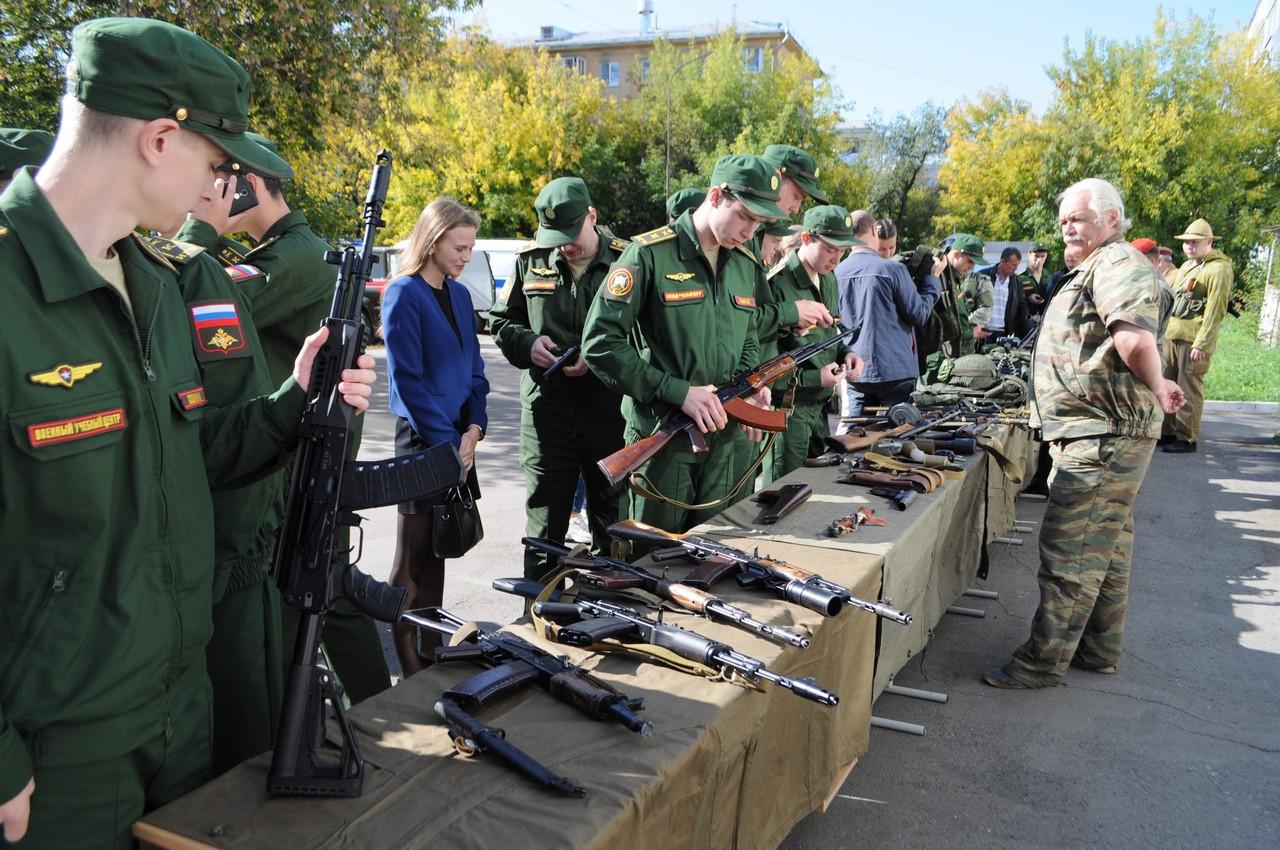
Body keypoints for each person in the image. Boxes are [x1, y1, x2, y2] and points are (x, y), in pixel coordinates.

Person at [0, 17, 376, 846]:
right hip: (60, 749)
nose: (219, 186)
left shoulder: (159, 281)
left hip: (179, 703)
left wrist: (294, 400)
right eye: (215, 161)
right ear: (160, 139)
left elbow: (191, 457)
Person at [180, 134, 397, 706]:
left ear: (245, 183)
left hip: (296, 453)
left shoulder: (292, 257)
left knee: (318, 589)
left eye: (218, 177)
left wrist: (200, 230)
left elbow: (187, 297)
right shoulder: (279, 253)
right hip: (284, 441)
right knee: (310, 590)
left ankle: (378, 710)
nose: (205, 189)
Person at [983, 177, 1184, 690]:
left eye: (1079, 217)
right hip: (1099, 431)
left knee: (1070, 554)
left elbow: (1134, 338)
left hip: (1103, 435)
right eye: (1064, 218)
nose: (1067, 226)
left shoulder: (1117, 264)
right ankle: (1098, 648)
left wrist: (1160, 386)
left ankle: (1042, 662)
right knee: (1106, 546)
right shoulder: (1100, 265)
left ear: (1111, 220)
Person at [581, 154, 785, 533]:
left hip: (726, 443)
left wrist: (753, 391)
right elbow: (599, 343)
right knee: (654, 560)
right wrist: (678, 392)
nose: (750, 231)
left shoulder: (744, 264)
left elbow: (749, 337)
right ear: (715, 196)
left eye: (759, 222)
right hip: (665, 440)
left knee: (715, 554)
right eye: (744, 215)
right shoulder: (649, 254)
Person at [489, 177, 628, 580]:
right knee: (545, 520)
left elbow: (646, 332)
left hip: (609, 411)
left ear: (593, 216)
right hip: (547, 411)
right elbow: (501, 321)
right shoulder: (529, 260)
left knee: (612, 515)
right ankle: (538, 611)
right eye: (556, 235)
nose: (564, 244)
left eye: (572, 232)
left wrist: (599, 356)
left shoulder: (628, 261)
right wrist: (528, 343)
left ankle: (611, 606)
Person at [383, 198, 489, 675]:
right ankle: (408, 662)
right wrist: (449, 442)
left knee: (440, 551)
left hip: (457, 443)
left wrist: (474, 427)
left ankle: (430, 649)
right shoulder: (403, 293)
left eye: (470, 248)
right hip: (423, 445)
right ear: (431, 240)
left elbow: (476, 374)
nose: (466, 257)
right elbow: (408, 382)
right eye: (459, 247)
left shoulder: (460, 295)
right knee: (411, 561)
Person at [768, 206, 864, 475]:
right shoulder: (778, 283)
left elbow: (830, 332)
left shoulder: (829, 279)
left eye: (843, 250)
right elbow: (764, 362)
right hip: (791, 408)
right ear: (807, 239)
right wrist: (813, 379)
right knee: (783, 491)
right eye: (830, 248)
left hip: (819, 406)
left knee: (811, 489)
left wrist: (846, 354)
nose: (836, 258)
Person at [836, 210, 941, 418]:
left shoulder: (836, 272)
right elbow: (919, 314)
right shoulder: (892, 270)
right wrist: (933, 280)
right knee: (897, 438)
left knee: (854, 435)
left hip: (856, 371)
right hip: (895, 371)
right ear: (874, 231)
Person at [1161, 218, 1234, 454]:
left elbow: (1215, 310)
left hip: (1193, 338)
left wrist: (1203, 343)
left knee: (1188, 388)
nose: (1190, 246)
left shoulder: (1218, 268)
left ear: (1209, 242)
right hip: (1173, 333)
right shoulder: (1187, 266)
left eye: (1195, 242)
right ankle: (1168, 431)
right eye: (1186, 242)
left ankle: (1186, 437)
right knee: (1168, 384)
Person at [920, 233, 986, 364]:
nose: (973, 267)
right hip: (937, 360)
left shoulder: (954, 276)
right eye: (970, 261)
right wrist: (970, 333)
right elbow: (935, 323)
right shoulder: (937, 273)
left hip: (954, 358)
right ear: (956, 254)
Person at [970, 246, 1032, 343]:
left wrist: (1029, 331)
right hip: (983, 330)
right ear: (1002, 261)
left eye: (1017, 265)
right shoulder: (982, 276)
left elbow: (1022, 308)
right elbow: (971, 302)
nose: (1016, 268)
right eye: (1013, 265)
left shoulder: (1016, 281)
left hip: (1005, 332)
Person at [1020, 241, 1051, 316]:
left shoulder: (1051, 278)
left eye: (1042, 256)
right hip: (1025, 322)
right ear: (1029, 254)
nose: (1039, 260)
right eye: (1036, 256)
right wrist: (1027, 297)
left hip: (1045, 322)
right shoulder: (1020, 278)